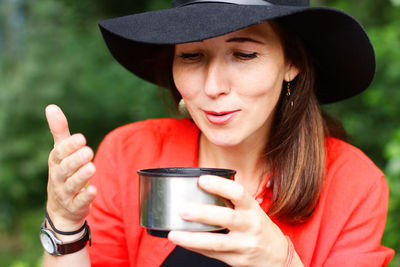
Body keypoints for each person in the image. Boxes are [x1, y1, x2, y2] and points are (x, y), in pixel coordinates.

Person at [40, 0, 395, 266]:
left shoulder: (353, 182)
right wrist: (65, 224)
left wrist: (281, 261)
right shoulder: (130, 152)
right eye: (192, 56)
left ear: (292, 63)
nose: (212, 87)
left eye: (243, 54)